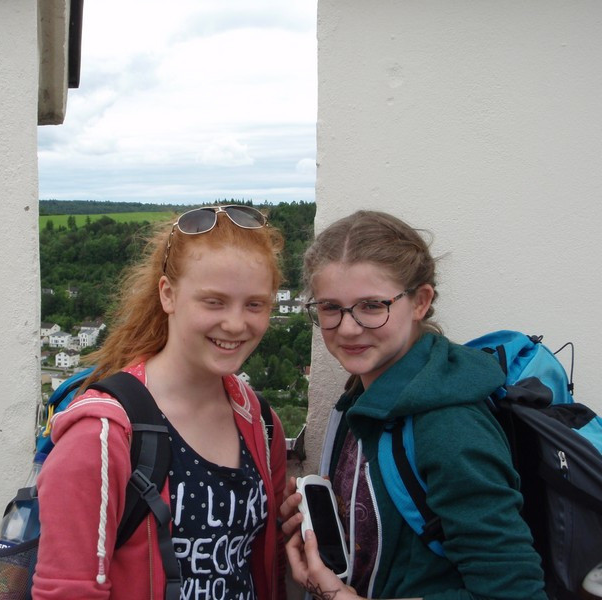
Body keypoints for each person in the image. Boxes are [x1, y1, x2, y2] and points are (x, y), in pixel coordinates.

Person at [281, 210, 547, 600]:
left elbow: (515, 594)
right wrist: (340, 519)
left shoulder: (449, 426)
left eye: (372, 306)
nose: (348, 327)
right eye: (330, 307)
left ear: (420, 302)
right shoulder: (365, 396)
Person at [32, 205, 288, 600]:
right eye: (214, 302)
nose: (236, 324)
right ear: (168, 294)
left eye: (255, 304)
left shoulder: (261, 423)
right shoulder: (102, 437)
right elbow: (66, 591)